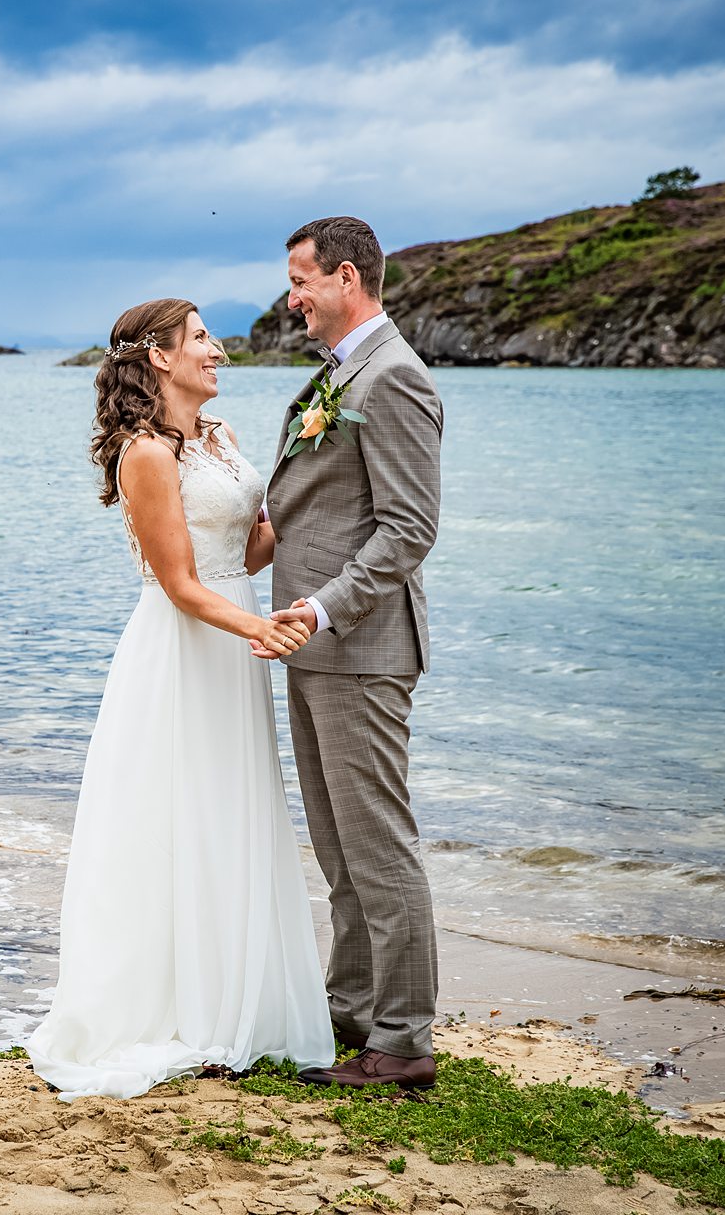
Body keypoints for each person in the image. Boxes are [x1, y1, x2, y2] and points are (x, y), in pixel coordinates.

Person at [25, 297, 335, 1101]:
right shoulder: (144, 456)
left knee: (231, 808)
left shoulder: (218, 437)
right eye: (201, 338)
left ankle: (240, 999)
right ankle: (177, 1006)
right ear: (159, 356)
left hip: (233, 643)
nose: (218, 350)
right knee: (175, 813)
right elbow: (180, 583)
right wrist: (260, 628)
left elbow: (248, 549)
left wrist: (312, 473)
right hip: (184, 646)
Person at [257, 216, 445, 1090]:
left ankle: (402, 1042)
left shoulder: (394, 376)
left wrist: (324, 609)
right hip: (313, 643)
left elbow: (408, 530)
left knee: (378, 847)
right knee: (339, 850)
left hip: (360, 644)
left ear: (345, 277)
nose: (291, 298)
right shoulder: (339, 373)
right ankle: (353, 1008)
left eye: (300, 281)